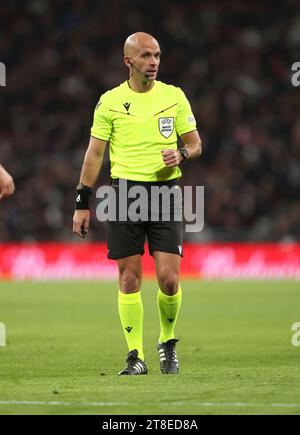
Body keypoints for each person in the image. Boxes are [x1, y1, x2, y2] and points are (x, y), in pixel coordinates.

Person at [73, 32, 202, 375]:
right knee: (129, 279)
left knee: (168, 280)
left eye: (157, 55)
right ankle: (135, 356)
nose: (154, 62)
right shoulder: (110, 101)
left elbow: (195, 143)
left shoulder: (174, 97)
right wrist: (82, 202)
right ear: (128, 61)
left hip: (165, 194)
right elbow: (95, 154)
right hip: (124, 195)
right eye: (145, 56)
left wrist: (182, 153)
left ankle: (167, 342)